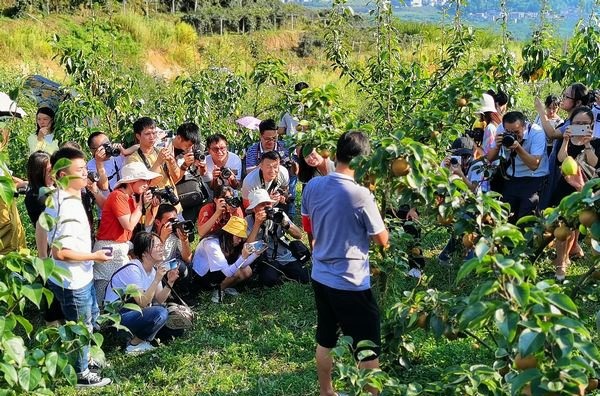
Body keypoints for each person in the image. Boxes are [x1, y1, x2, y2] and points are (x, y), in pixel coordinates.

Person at [301, 131, 388, 396]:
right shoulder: (360, 194)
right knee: (367, 345)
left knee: (326, 335)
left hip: (321, 275)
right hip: (350, 281)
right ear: (362, 162)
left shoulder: (313, 186)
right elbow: (382, 240)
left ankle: (326, 391)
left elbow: (309, 225)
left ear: (335, 154)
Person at [36, 147, 112, 387]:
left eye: (85, 169)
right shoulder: (66, 205)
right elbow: (61, 252)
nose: (86, 174)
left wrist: (43, 260)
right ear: (61, 174)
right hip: (72, 279)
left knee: (89, 318)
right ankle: (80, 374)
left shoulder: (62, 197)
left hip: (78, 275)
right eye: (80, 170)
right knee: (80, 326)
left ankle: (86, 358)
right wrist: (94, 256)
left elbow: (41, 226)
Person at [93, 162, 161, 305]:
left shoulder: (129, 198)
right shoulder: (118, 196)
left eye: (147, 181)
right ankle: (100, 323)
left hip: (120, 246)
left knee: (119, 290)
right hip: (110, 247)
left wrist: (148, 206)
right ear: (131, 181)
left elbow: (142, 224)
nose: (147, 184)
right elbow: (129, 225)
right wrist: (141, 205)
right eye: (143, 180)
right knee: (106, 288)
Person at [104, 231, 181, 354]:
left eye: (161, 245)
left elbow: (160, 299)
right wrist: (157, 279)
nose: (161, 249)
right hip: (117, 317)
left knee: (174, 325)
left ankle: (140, 340)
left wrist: (170, 282)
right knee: (160, 313)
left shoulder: (153, 269)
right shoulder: (133, 269)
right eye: (157, 246)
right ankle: (133, 345)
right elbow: (143, 302)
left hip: (134, 313)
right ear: (144, 253)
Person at [551, 107, 599, 281]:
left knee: (577, 228)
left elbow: (594, 162)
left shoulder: (595, 142)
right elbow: (560, 159)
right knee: (563, 227)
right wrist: (565, 140)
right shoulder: (567, 140)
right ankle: (560, 265)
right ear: (571, 123)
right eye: (577, 123)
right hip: (565, 189)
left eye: (585, 124)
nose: (581, 126)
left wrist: (587, 143)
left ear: (592, 124)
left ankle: (570, 253)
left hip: (585, 190)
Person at [535, 83, 596, 209]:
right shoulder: (568, 123)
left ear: (578, 102)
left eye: (567, 97)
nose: (563, 99)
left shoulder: (575, 126)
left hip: (575, 184)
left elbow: (551, 134)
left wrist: (541, 110)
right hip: (561, 180)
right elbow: (560, 158)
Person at [487, 111, 549, 223]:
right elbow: (489, 158)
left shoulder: (536, 132)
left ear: (524, 126)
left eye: (516, 132)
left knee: (525, 218)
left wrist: (518, 148)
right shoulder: (502, 129)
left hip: (534, 178)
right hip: (512, 177)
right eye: (508, 132)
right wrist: (497, 146)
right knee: (505, 215)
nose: (512, 135)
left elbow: (534, 165)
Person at [438, 136, 487, 265]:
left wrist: (460, 174)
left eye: (465, 155)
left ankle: (465, 257)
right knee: (460, 228)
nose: (463, 159)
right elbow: (439, 185)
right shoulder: (449, 163)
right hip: (457, 201)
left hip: (476, 202)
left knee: (468, 228)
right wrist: (445, 170)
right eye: (459, 156)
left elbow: (473, 188)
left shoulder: (477, 165)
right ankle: (450, 256)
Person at [245, 189, 308, 287]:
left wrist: (285, 224)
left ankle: (283, 276)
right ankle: (280, 276)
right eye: (262, 204)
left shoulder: (278, 213)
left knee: (304, 278)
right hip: (267, 260)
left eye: (268, 203)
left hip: (285, 255)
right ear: (253, 208)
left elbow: (299, 235)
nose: (266, 207)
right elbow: (248, 247)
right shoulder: (248, 221)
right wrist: (257, 224)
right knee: (268, 281)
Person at [192, 216, 261, 303]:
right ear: (229, 234)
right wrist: (243, 257)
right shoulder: (211, 244)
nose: (240, 241)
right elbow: (228, 273)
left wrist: (255, 254)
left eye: (241, 237)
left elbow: (242, 264)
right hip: (201, 275)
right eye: (238, 237)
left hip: (218, 272)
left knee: (247, 271)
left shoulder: (230, 242)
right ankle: (217, 291)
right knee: (235, 272)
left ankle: (224, 287)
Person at [125, 117, 190, 191]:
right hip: (152, 201)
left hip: (172, 199)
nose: (152, 137)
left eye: (154, 133)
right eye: (147, 134)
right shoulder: (134, 159)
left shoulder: (162, 151)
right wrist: (159, 162)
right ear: (138, 136)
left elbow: (176, 177)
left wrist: (172, 162)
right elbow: (141, 187)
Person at [151, 203, 193, 279]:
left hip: (171, 265)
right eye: (170, 220)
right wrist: (162, 239)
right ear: (157, 222)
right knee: (179, 265)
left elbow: (188, 259)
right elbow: (151, 261)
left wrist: (184, 241)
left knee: (187, 265)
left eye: (175, 219)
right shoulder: (150, 235)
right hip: (154, 270)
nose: (174, 223)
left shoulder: (175, 234)